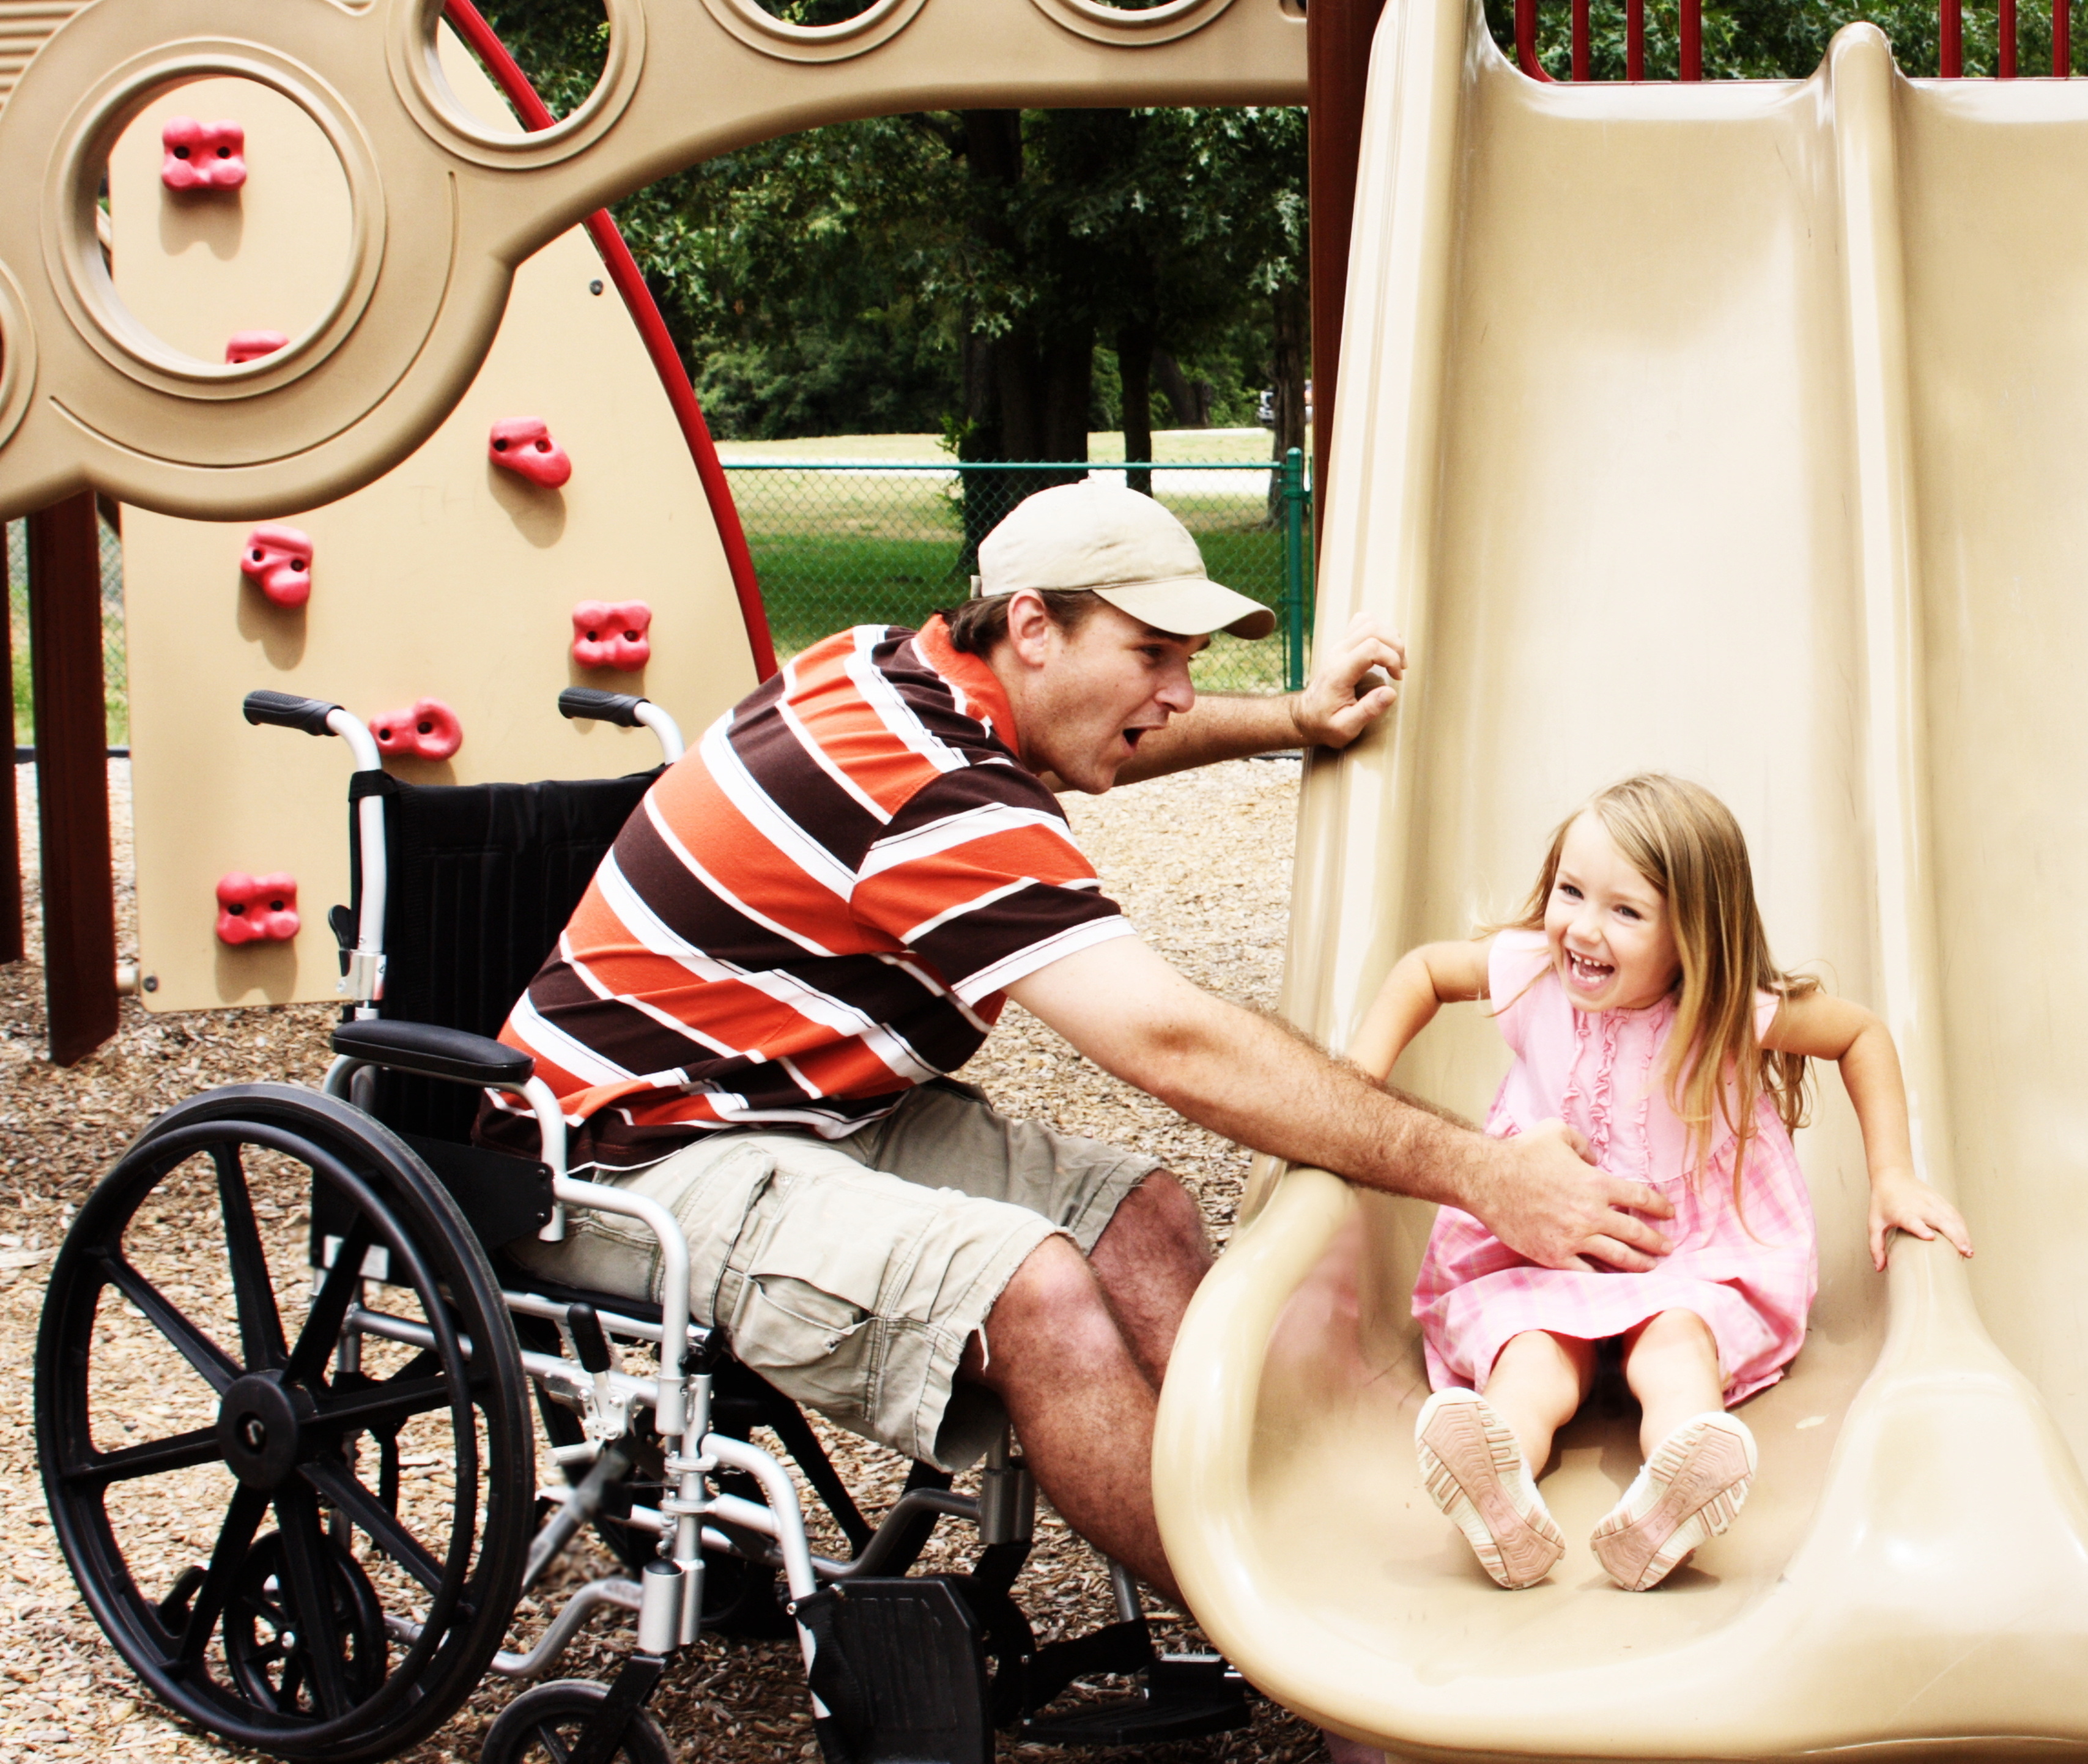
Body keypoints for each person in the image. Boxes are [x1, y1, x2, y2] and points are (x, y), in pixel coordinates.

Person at [484, 481, 1678, 1603]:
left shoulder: (898, 663)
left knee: (1143, 1214)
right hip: (640, 1149)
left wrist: (1289, 717)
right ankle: (1281, 1616)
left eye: (1187, 660)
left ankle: (1302, 1518)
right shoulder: (935, 792)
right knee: (1036, 1289)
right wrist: (1484, 1169)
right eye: (1149, 654)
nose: (1171, 689)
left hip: (804, 1104)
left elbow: (1106, 737)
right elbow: (1172, 1043)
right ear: (1032, 627)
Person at [1345, 773, 1972, 1593]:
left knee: (1677, 1346)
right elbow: (1424, 972)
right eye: (1571, 890)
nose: (1582, 927)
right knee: (1530, 1354)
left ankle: (1673, 1493)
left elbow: (1859, 1035)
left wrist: (1893, 1173)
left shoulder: (1722, 1010)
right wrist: (1353, 1093)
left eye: (1626, 911)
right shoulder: (1532, 971)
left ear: (1692, 937)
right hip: (1540, 1248)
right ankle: (1497, 1490)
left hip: (1684, 1255)